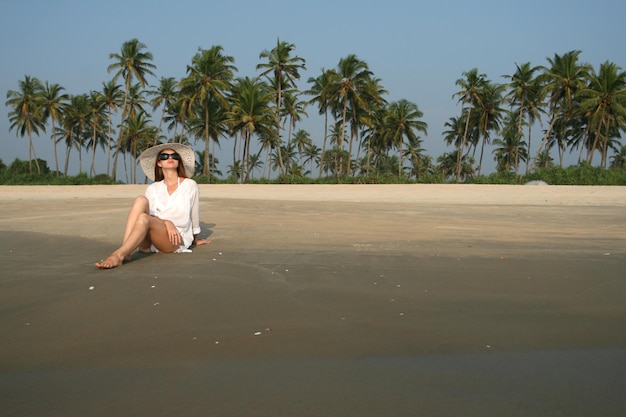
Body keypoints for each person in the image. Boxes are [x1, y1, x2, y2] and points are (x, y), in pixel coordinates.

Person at [95, 143, 211, 269]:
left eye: (174, 156)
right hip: (150, 241)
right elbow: (150, 216)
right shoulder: (153, 188)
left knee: (144, 218)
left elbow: (194, 214)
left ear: (179, 161)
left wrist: (195, 238)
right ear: (159, 163)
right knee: (140, 200)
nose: (170, 158)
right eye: (165, 156)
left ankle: (118, 255)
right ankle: (126, 252)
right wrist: (166, 222)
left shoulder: (190, 185)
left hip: (175, 239)